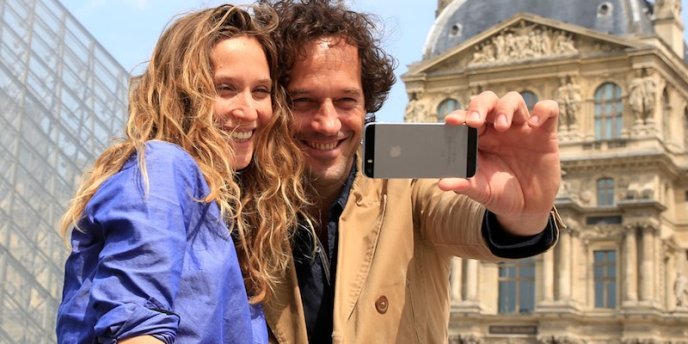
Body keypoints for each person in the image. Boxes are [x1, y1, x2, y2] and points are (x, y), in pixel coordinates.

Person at [261, 0, 563, 343]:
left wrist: (523, 215)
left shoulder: (411, 183)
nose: (328, 124)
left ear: (367, 106)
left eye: (347, 102)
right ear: (271, 104)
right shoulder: (241, 204)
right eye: (303, 101)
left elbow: (463, 215)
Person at [56, 4, 311, 343]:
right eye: (225, 88)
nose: (249, 110)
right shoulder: (163, 167)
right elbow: (137, 324)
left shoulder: (219, 204)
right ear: (182, 94)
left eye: (260, 91)